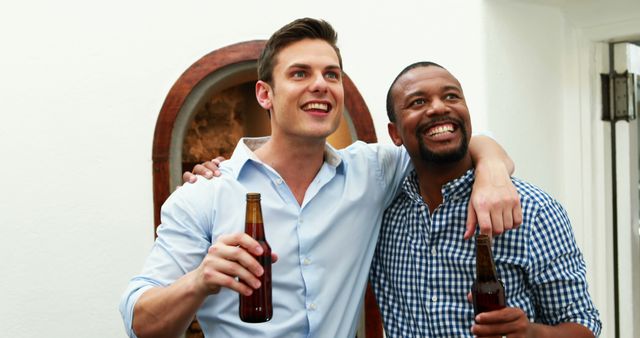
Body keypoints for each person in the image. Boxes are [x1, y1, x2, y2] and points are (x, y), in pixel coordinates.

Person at [120, 18, 520, 338]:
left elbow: (447, 142)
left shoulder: (372, 171)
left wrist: (493, 170)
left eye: (331, 74)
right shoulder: (204, 195)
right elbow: (140, 322)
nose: (320, 85)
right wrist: (200, 281)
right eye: (299, 74)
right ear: (265, 94)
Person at [369, 61, 602, 337]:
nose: (439, 107)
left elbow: (583, 325)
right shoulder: (381, 213)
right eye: (418, 101)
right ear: (395, 133)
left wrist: (531, 332)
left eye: (451, 96)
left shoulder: (533, 209)